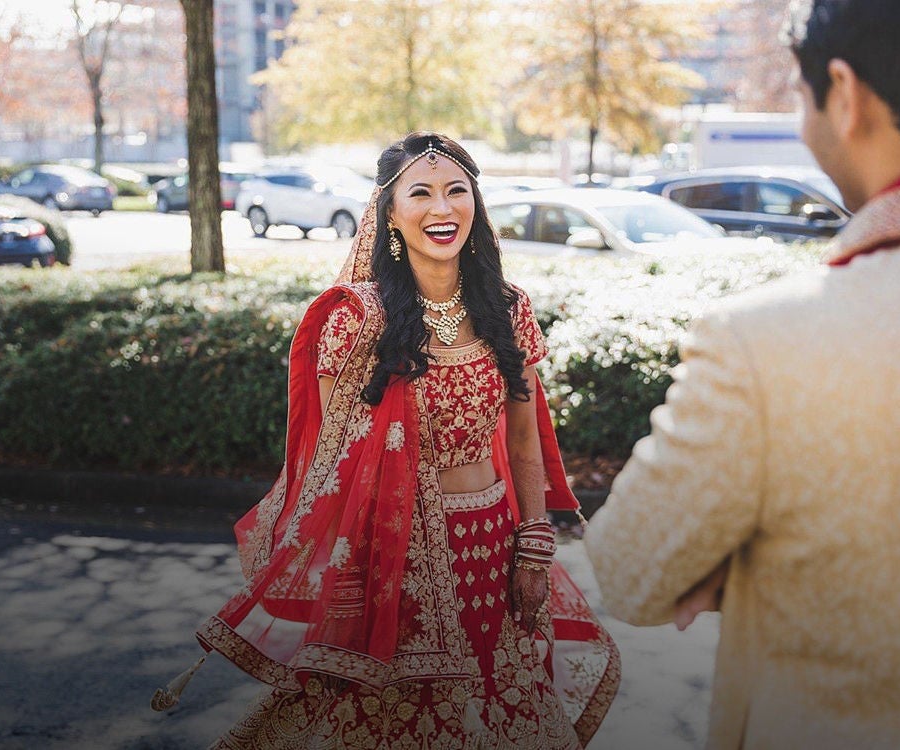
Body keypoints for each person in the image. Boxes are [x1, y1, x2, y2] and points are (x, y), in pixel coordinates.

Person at [584, 1, 900, 748]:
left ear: (844, 95)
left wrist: (741, 552)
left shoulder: (762, 343)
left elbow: (626, 572)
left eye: (799, 94)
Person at [156, 132, 619, 748]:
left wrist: (535, 543)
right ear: (390, 215)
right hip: (397, 556)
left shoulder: (508, 309)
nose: (442, 208)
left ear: (476, 207)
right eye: (421, 193)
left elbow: (524, 440)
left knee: (503, 706)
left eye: (457, 191)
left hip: (496, 545)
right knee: (401, 720)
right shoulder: (357, 318)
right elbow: (337, 462)